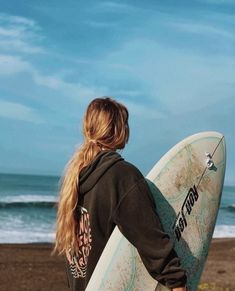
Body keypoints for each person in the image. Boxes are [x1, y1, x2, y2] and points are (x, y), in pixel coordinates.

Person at [53, 97, 187, 291]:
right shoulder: (121, 175)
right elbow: (150, 238)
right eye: (125, 124)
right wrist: (177, 282)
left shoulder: (75, 176)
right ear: (118, 129)